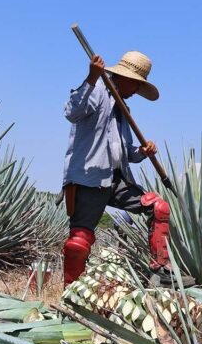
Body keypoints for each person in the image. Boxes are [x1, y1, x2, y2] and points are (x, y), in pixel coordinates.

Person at [60, 50, 173, 285]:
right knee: (79, 241)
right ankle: (71, 294)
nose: (135, 93)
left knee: (159, 208)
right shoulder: (97, 93)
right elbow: (72, 112)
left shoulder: (124, 110)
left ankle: (161, 272)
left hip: (117, 179)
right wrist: (91, 78)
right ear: (126, 79)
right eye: (136, 87)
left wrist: (141, 153)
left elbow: (123, 151)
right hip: (90, 178)